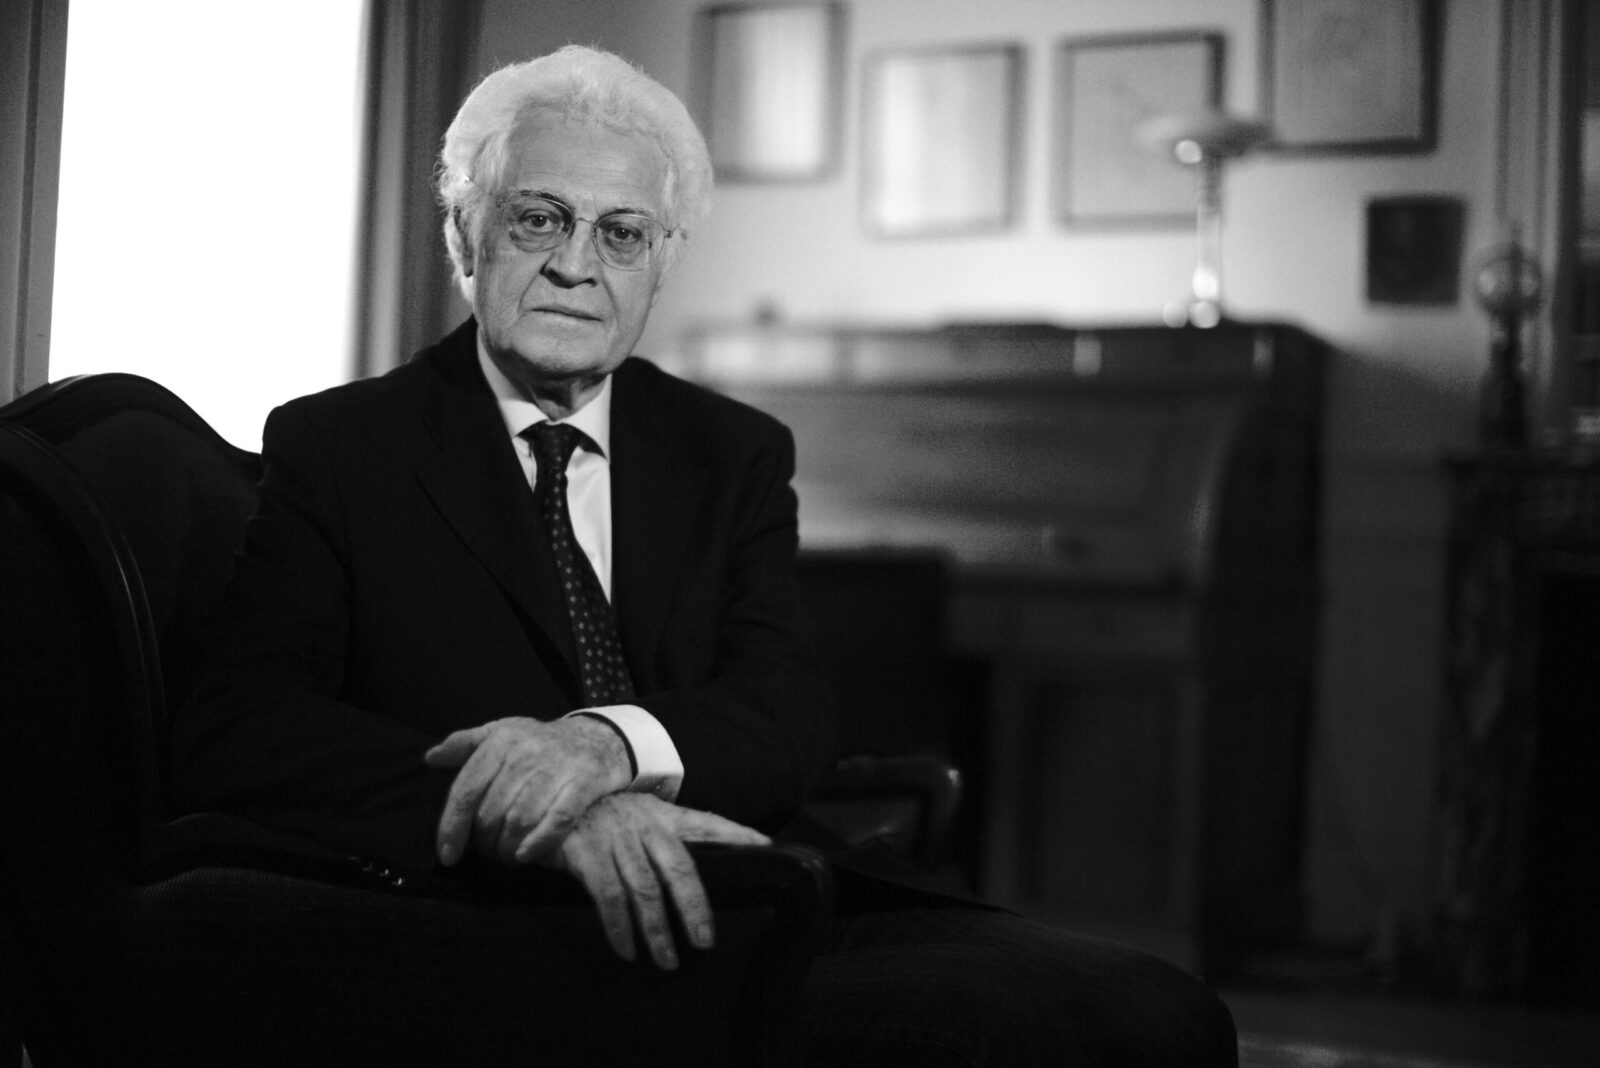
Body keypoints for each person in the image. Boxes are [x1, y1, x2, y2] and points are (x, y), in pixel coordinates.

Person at [171, 44, 1237, 1065]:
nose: (576, 266)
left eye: (622, 233)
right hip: (507, 925)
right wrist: (529, 816)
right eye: (538, 218)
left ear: (662, 262)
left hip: (762, 885)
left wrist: (607, 746)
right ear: (464, 234)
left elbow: (786, 706)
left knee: (1163, 1014)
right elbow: (244, 724)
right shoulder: (343, 448)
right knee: (994, 1042)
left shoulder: (731, 452)